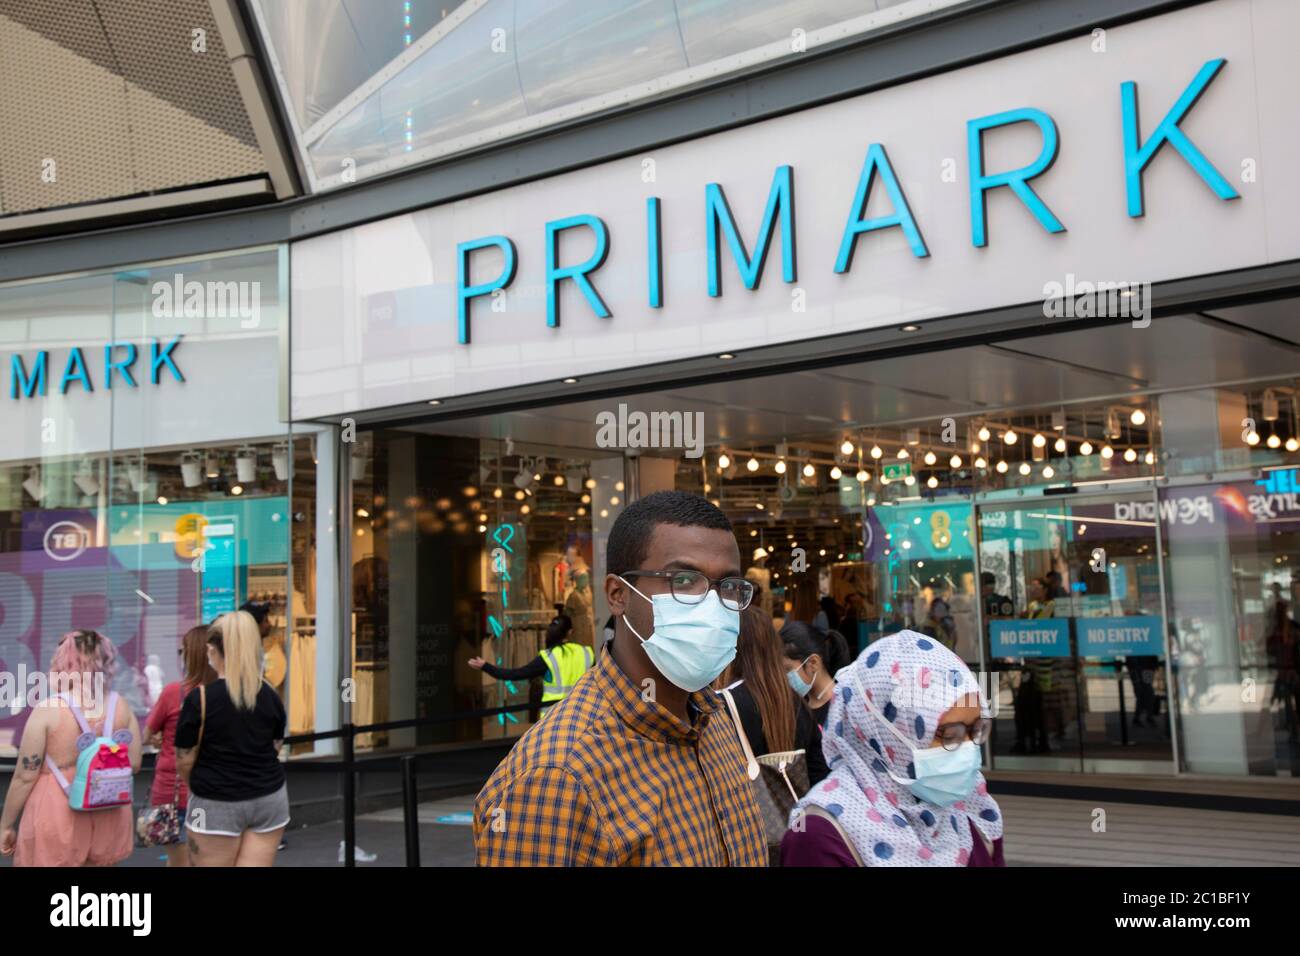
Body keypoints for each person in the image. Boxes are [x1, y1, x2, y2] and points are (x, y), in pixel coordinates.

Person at [474, 490, 766, 866]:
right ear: (617, 595)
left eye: (727, 586)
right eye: (682, 581)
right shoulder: (556, 778)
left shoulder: (713, 719)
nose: (712, 605)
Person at [780, 631, 1005, 866]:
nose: (968, 749)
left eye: (977, 729)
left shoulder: (971, 806)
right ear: (889, 734)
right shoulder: (820, 835)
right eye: (950, 735)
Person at [1, 630, 142, 866]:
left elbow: (25, 776)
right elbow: (135, 763)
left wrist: (6, 824)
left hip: (57, 812)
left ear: (63, 662)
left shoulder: (48, 709)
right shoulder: (121, 705)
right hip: (108, 810)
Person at [175, 610, 289, 867]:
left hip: (214, 801)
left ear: (213, 650)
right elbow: (275, 747)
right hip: (269, 797)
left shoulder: (200, 699)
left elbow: (184, 761)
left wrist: (198, 784)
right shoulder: (270, 694)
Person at [719, 606, 829, 786]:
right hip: (797, 810)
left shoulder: (721, 705)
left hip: (747, 810)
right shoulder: (797, 703)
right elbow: (819, 773)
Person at [143, 625, 217, 866]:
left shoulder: (174, 692)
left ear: (192, 654)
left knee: (178, 862)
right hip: (216, 791)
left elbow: (147, 734)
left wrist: (164, 736)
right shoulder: (224, 693)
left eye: (182, 650)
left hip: (172, 792)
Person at [468, 614, 593, 708]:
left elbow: (514, 674)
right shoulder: (587, 653)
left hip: (554, 721)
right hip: (583, 714)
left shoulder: (549, 657)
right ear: (570, 632)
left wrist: (485, 666)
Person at [781, 621, 849, 730]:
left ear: (813, 663)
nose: (783, 677)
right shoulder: (796, 706)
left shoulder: (845, 705)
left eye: (787, 669)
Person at [240, 600, 285, 697]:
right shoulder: (246, 654)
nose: (269, 625)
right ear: (254, 625)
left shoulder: (260, 649)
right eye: (265, 621)